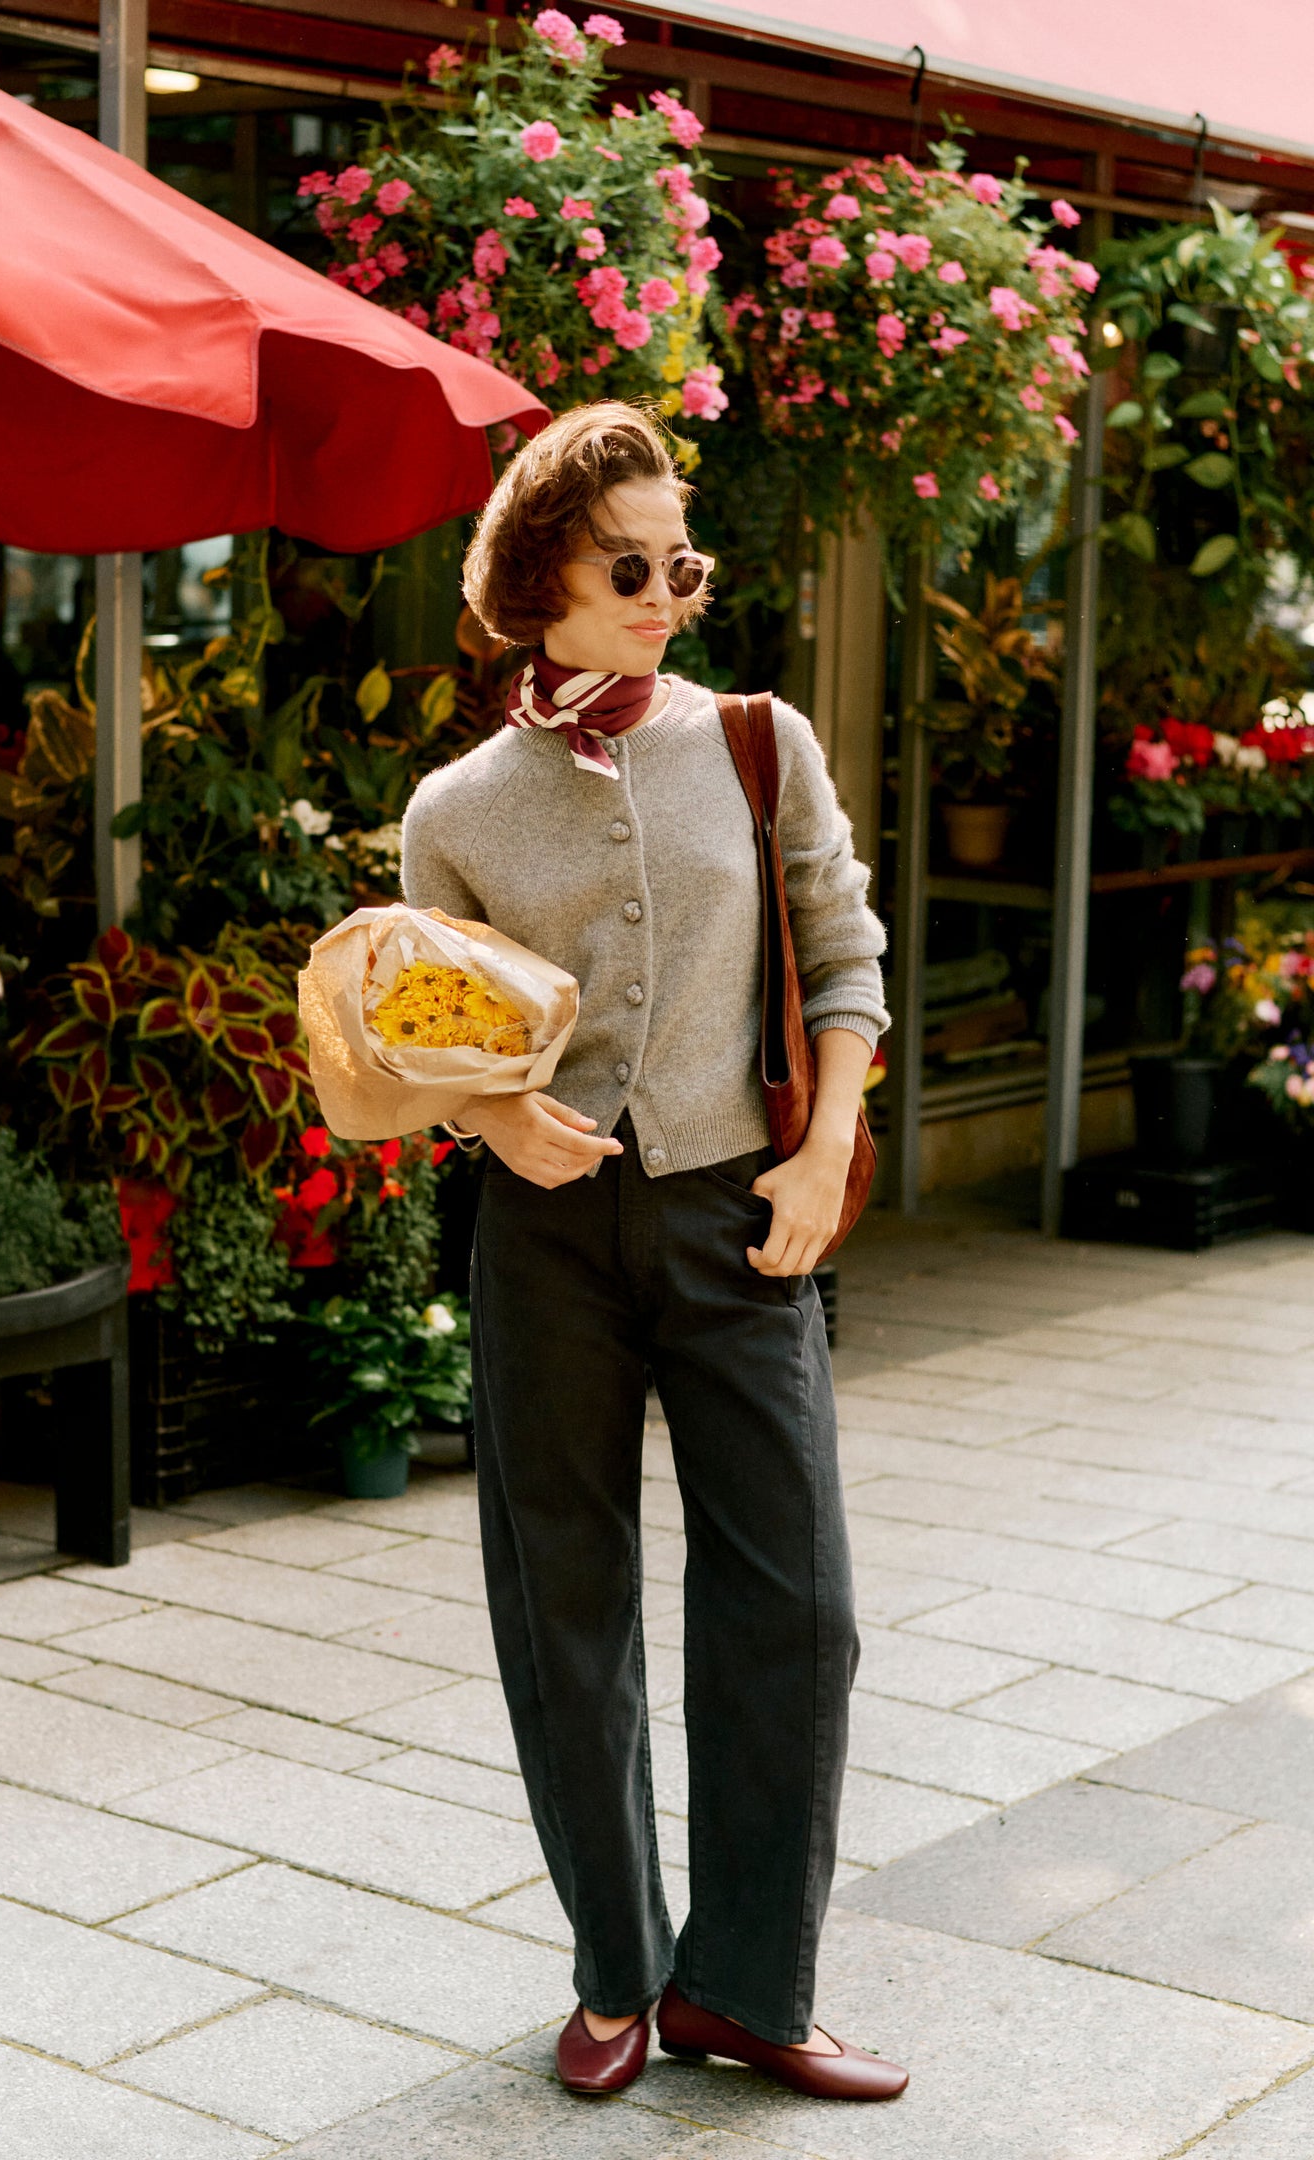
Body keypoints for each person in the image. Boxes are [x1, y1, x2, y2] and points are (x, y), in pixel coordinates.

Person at [399, 402, 906, 2105]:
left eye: (681, 562)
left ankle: (750, 1990)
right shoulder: (458, 807)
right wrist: (495, 1125)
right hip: (543, 1238)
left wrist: (825, 1148)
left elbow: (845, 955)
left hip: (744, 1215)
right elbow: (428, 1034)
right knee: (567, 1606)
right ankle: (618, 1973)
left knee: (801, 1605)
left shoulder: (759, 744)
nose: (668, 592)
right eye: (635, 563)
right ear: (541, 569)